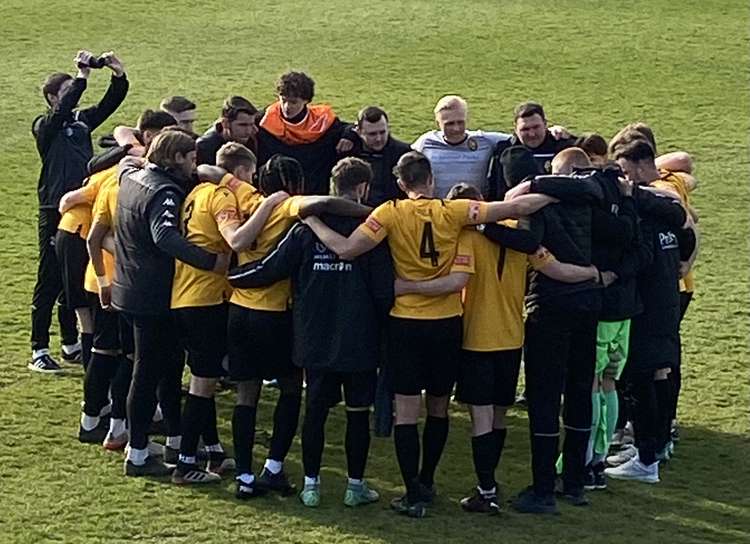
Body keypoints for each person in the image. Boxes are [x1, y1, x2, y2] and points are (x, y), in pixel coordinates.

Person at [303, 151, 556, 518]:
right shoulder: (454, 212)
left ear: (402, 184)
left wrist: (312, 222)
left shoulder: (389, 212)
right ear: (431, 180)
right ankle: (428, 478)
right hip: (447, 323)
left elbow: (345, 249)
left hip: (405, 324)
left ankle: (412, 494)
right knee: (438, 406)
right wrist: (560, 189)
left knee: (407, 410)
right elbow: (512, 208)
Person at [395, 182, 603, 515]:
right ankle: (488, 486)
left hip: (476, 337)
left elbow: (457, 280)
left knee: (481, 415)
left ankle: (486, 489)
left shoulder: (466, 239)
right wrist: (595, 274)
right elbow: (555, 269)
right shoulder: (519, 235)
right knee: (500, 414)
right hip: (512, 337)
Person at [229, 157, 393, 508]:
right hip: (359, 339)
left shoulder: (305, 229)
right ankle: (354, 487)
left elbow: (270, 268)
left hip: (313, 336)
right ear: (363, 188)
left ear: (334, 186)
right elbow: (383, 292)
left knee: (315, 412)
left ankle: (311, 486)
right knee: (356, 414)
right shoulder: (374, 229)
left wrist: (230, 279)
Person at [169, 142, 290, 485]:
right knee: (203, 385)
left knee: (201, 381)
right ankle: (186, 463)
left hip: (185, 293)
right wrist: (268, 204)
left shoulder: (196, 193)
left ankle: (210, 453)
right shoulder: (221, 197)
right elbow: (236, 239)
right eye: (249, 176)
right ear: (239, 173)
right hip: (205, 300)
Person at [112, 129, 230, 477]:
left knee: (159, 369)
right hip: (152, 295)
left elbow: (125, 164)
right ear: (176, 158)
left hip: (130, 287)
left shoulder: (133, 176)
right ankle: (137, 454)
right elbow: (164, 236)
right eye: (191, 158)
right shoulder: (164, 191)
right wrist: (210, 261)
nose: (195, 166)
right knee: (149, 372)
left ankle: (172, 441)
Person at [30, 49, 128, 373]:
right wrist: (82, 77)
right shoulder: (46, 125)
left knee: (75, 277)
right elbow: (64, 109)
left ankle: (70, 342)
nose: (70, 97)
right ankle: (38, 348)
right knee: (50, 278)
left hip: (83, 207)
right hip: (53, 208)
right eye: (64, 92)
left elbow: (109, 104)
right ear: (52, 98)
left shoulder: (81, 123)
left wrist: (118, 75)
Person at [604, 139, 696, 484]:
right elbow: (689, 235)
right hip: (666, 301)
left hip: (645, 307)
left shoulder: (645, 208)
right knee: (659, 373)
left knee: (640, 379)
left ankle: (646, 460)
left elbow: (638, 256)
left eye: (626, 172)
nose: (625, 180)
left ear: (642, 165)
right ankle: (653, 449)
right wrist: (682, 266)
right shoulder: (668, 208)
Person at [257, 71, 355, 195]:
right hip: (276, 195)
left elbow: (349, 128)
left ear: (306, 101)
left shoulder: (322, 121)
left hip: (315, 192)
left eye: (293, 102)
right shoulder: (265, 119)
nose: (287, 107)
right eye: (283, 100)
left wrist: (348, 136)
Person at [412, 95, 510, 198]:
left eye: (460, 122)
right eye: (449, 124)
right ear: (438, 123)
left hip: (475, 209)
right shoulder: (426, 142)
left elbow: (518, 138)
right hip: (440, 210)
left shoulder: (484, 141)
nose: (456, 128)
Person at [345, 106, 410, 206]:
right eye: (372, 134)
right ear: (359, 132)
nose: (379, 138)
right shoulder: (347, 151)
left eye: (383, 132)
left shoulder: (403, 154)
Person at [196, 96, 259, 165]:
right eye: (243, 125)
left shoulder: (251, 139)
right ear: (225, 123)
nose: (249, 131)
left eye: (252, 124)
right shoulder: (205, 147)